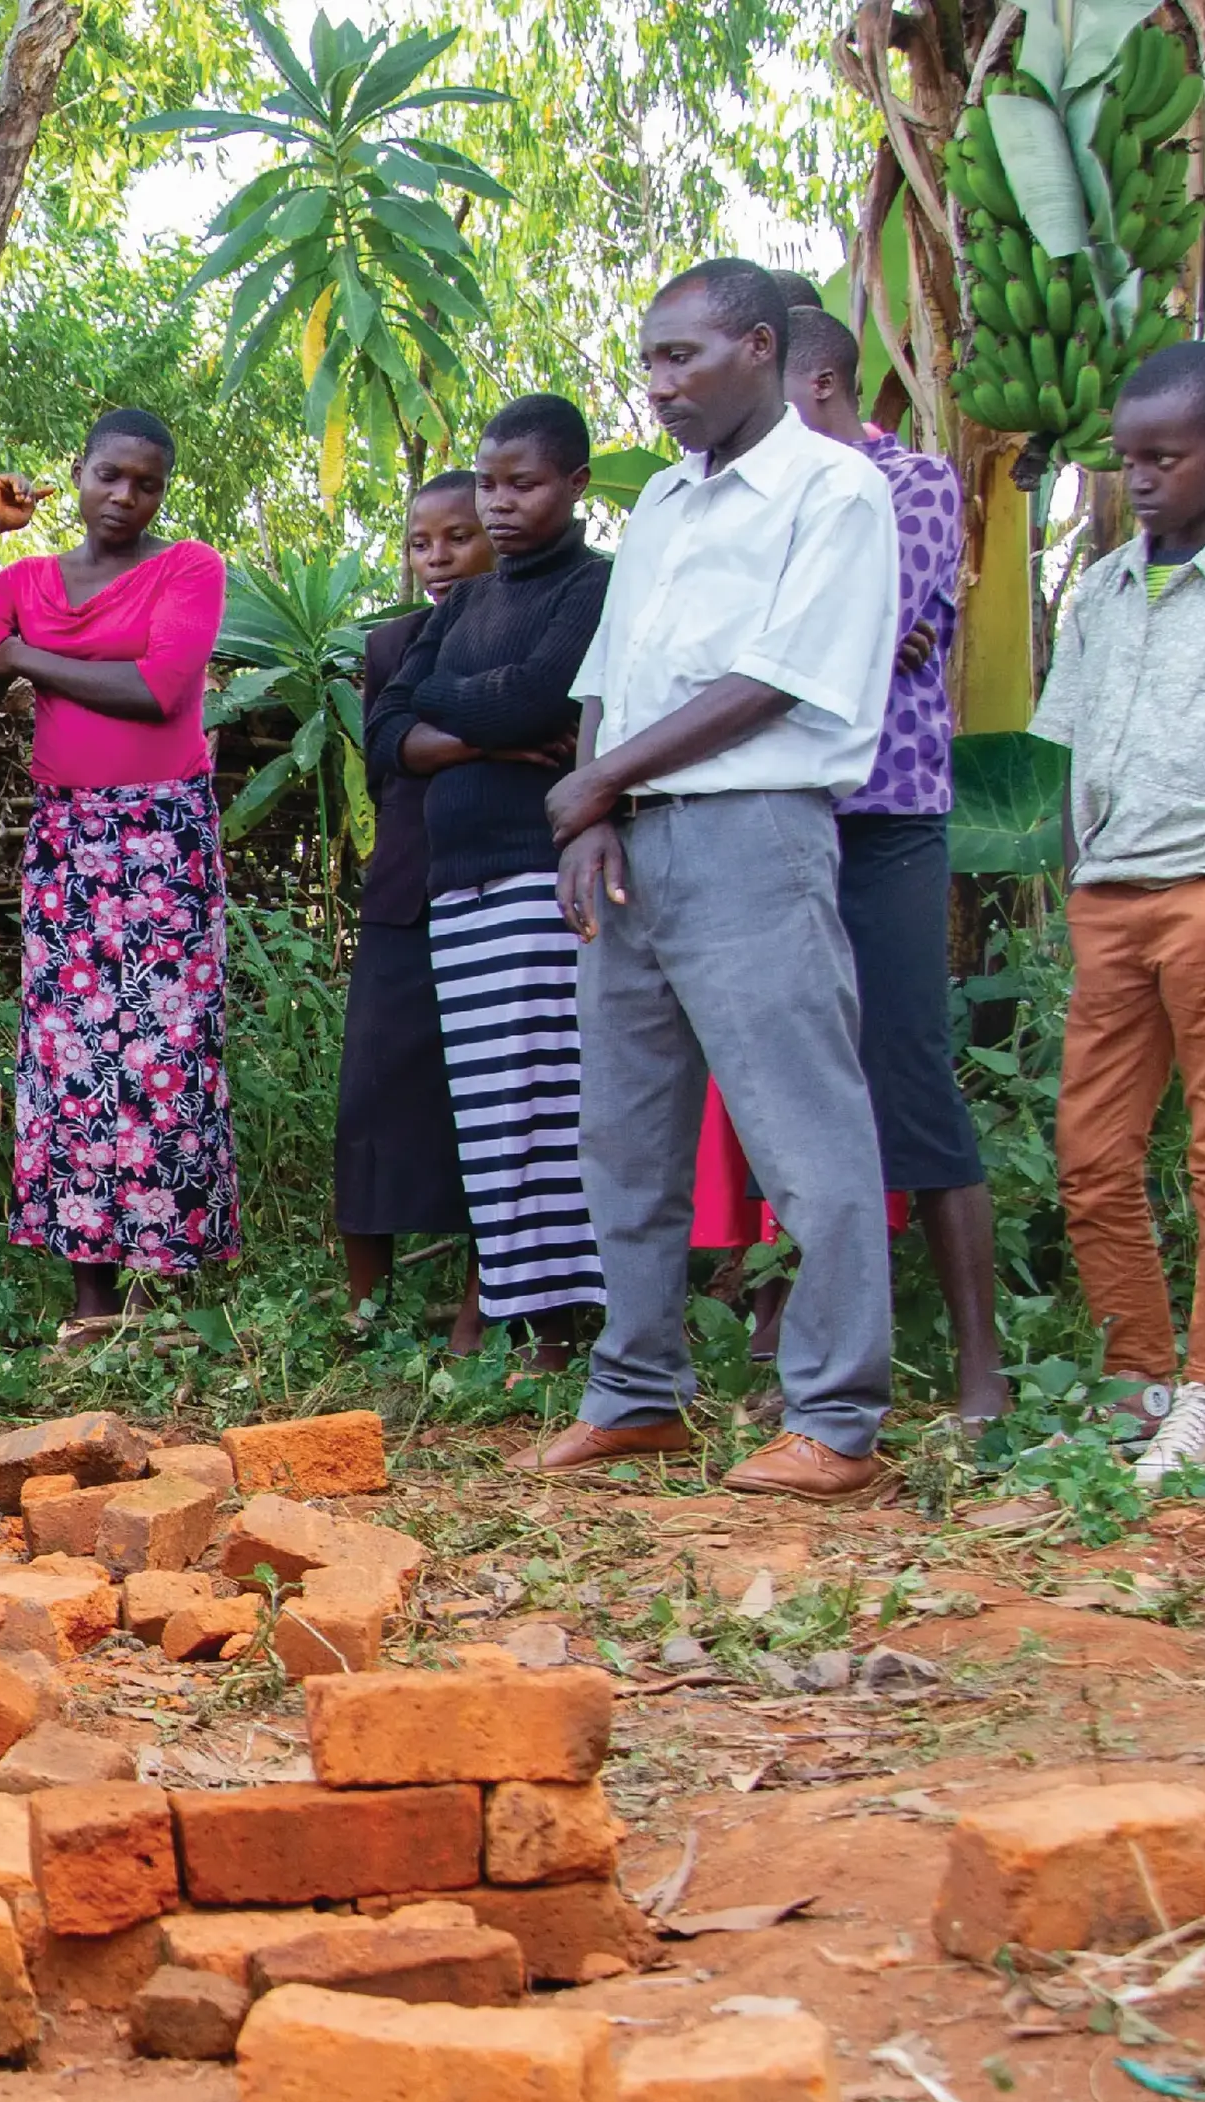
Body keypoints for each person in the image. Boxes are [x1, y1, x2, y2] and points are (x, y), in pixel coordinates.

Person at [513, 258, 903, 1501]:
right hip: (632, 846)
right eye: (649, 362)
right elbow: (607, 682)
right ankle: (638, 1395)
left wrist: (594, 783)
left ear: (759, 349)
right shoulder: (667, 510)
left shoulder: (834, 491)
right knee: (624, 1137)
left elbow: (778, 678)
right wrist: (590, 818)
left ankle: (836, 1418)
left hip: (754, 834)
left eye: (682, 357)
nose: (660, 386)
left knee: (804, 1128)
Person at [1031, 340, 1205, 1476]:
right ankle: (1135, 1386)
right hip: (1113, 904)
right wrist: (1087, 884)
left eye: (1165, 457)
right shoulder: (1097, 588)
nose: (1136, 479)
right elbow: (1075, 753)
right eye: (1125, 459)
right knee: (1091, 1153)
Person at [775, 307, 1008, 1425]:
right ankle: (817, 1354)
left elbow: (858, 622)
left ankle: (982, 1367)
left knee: (907, 1067)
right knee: (804, 1087)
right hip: (781, 816)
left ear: (815, 380)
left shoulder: (908, 482)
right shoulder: (761, 496)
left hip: (887, 811)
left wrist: (880, 633)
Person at [0, 411, 237, 1340]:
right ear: (75, 474)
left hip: (165, 834)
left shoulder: (188, 568)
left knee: (165, 1053)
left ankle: (166, 1287)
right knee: (72, 1058)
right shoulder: (28, 579)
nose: (125, 497)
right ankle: (91, 1303)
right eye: (109, 476)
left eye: (146, 483)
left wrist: (28, 659)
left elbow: (160, 689)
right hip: (68, 838)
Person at [371, 398, 617, 1361]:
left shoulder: (594, 588)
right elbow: (389, 726)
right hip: (455, 883)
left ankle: (556, 1329)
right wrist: (489, 731)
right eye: (489, 483)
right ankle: (522, 1313)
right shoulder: (468, 603)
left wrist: (464, 715)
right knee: (486, 1110)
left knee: (544, 1101)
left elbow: (541, 693)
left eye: (524, 484)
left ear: (576, 486)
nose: (502, 504)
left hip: (536, 873)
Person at [337, 473, 492, 1343]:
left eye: (458, 537)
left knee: (491, 1100)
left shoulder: (534, 629)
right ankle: (367, 1306)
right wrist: (494, 738)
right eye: (421, 543)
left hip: (503, 882)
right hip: (405, 888)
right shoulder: (392, 643)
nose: (437, 559)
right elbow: (389, 753)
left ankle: (482, 1309)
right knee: (374, 1094)